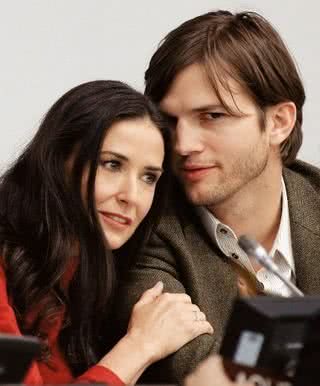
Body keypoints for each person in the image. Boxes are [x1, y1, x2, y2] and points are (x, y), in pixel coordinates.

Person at [114, 9, 320, 383]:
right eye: (170, 122)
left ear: (278, 122)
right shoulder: (142, 226)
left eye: (212, 116)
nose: (184, 145)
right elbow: (208, 374)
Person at [0, 80, 213, 385]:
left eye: (149, 177)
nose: (132, 196)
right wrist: (139, 347)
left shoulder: (83, 280)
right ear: (58, 161)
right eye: (112, 164)